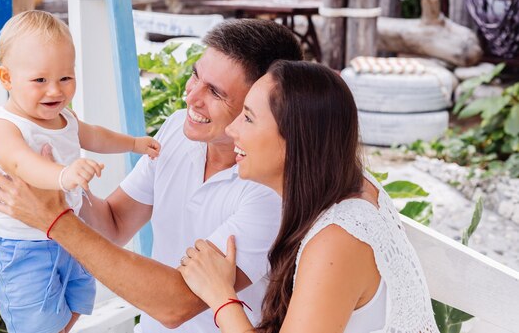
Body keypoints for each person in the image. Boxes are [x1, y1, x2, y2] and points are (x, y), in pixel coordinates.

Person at [0, 18, 303, 333]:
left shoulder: (271, 190)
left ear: (263, 105)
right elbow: (114, 224)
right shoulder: (180, 128)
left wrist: (53, 218)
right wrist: (61, 177)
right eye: (195, 76)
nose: (191, 97)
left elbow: (176, 305)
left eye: (215, 93)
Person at [178, 61, 441, 333]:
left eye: (248, 118)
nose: (232, 129)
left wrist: (221, 296)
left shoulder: (338, 238)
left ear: (295, 140)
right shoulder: (348, 185)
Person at [0, 10, 160, 333]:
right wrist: (63, 174)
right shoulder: (3, 127)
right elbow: (22, 163)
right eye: (40, 80)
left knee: (76, 303)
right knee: (38, 324)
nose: (55, 91)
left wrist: (133, 143)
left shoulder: (66, 119)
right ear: (6, 78)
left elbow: (96, 136)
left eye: (65, 78)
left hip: (69, 235)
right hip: (24, 249)